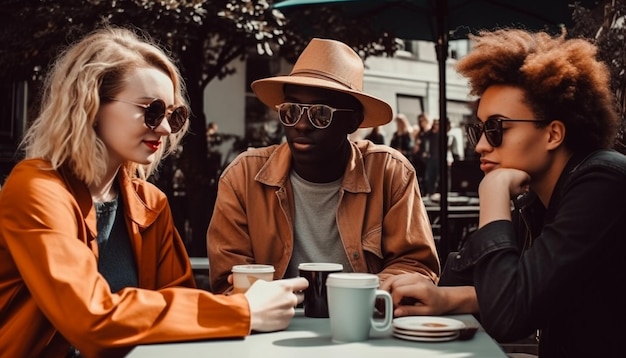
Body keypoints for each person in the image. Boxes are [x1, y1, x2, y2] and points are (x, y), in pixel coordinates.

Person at [0, 27, 308, 357]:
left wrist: (234, 309)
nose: (163, 128)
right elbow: (90, 318)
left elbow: (182, 314)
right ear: (90, 104)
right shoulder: (36, 189)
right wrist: (242, 312)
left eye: (173, 115)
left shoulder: (150, 203)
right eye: (151, 109)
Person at [380, 29, 626, 357]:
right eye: (479, 129)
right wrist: (449, 299)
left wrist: (493, 193)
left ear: (553, 133)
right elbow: (514, 289)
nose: (481, 145)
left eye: (496, 129)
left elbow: (510, 313)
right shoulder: (540, 198)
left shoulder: (604, 183)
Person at [207, 38, 439, 294]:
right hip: (272, 325)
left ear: (352, 121)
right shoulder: (243, 177)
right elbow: (227, 278)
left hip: (363, 322)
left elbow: (415, 266)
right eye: (291, 111)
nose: (301, 125)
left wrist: (352, 297)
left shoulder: (389, 172)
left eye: (320, 114)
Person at [422, 118, 441, 195]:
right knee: (430, 176)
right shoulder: (430, 134)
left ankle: (437, 192)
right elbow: (425, 137)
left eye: (437, 124)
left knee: (438, 176)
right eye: (435, 124)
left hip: (439, 158)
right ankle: (431, 192)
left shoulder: (441, 134)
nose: (436, 126)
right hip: (431, 157)